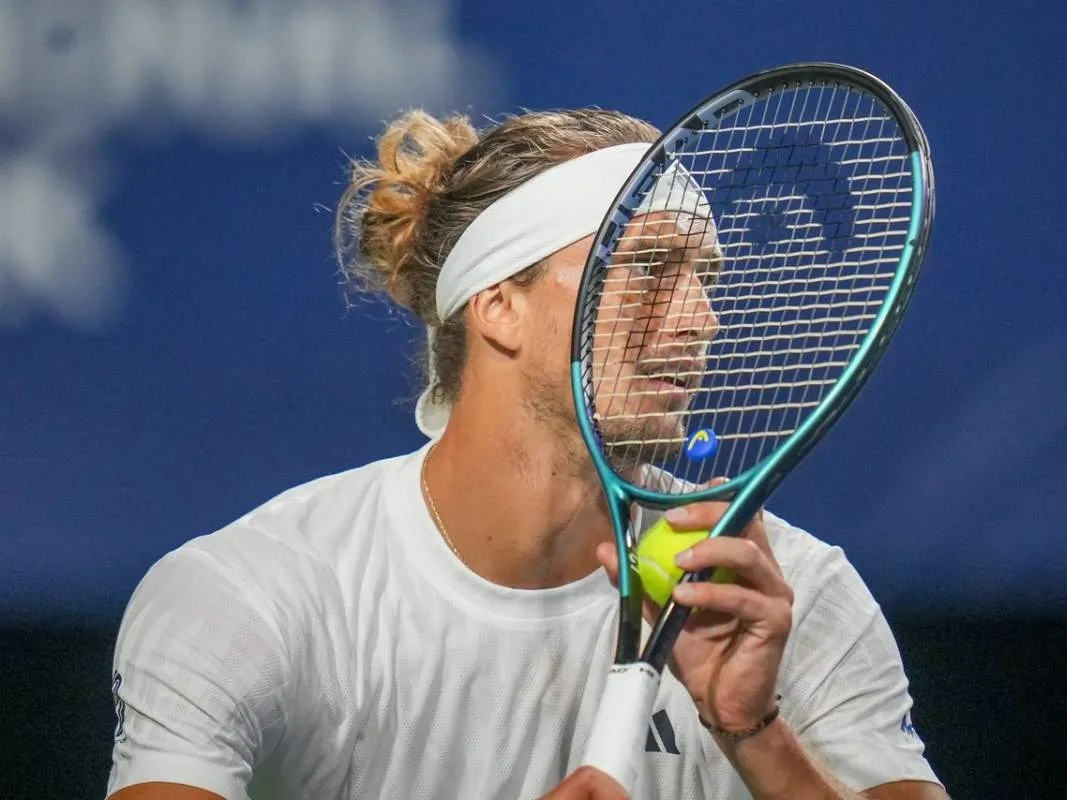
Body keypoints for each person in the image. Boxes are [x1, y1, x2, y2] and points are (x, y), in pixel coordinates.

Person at [106, 108, 948, 800]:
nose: (700, 320)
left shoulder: (791, 594)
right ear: (499, 305)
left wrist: (754, 734)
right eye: (652, 268)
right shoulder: (252, 594)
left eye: (706, 279)